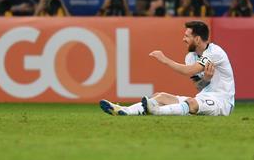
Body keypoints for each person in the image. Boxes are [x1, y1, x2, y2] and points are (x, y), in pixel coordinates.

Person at [99, 20, 235, 117]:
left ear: (198, 39)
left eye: (187, 36)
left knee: (191, 103)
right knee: (160, 96)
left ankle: (157, 111)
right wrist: (205, 79)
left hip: (222, 102)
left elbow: (189, 71)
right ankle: (125, 111)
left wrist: (164, 60)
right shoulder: (190, 57)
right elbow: (199, 87)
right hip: (203, 97)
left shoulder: (214, 52)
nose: (183, 39)